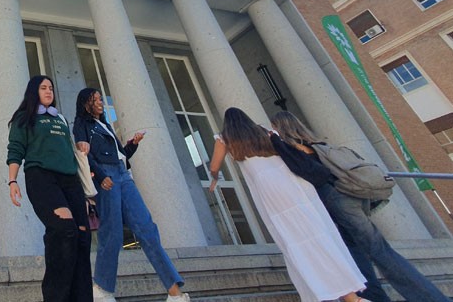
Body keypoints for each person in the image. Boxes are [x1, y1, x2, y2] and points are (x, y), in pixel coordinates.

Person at [270, 110, 450, 302]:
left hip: (338, 200)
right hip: (353, 197)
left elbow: (312, 173)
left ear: (281, 128)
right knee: (353, 252)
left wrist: (275, 141)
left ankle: (429, 298)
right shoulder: (319, 146)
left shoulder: (295, 149)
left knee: (379, 251)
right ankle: (373, 297)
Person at [209, 107, 370, 302]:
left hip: (271, 190)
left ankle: (339, 295)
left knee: (294, 239)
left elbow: (214, 166)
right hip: (296, 184)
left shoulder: (225, 138)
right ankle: (349, 294)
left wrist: (215, 177)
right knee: (319, 232)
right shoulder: (264, 131)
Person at [72, 88, 190, 302]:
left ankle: (174, 292)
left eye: (100, 98)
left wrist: (132, 144)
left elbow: (122, 156)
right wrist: (99, 175)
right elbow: (83, 154)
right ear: (85, 103)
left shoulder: (105, 125)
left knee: (147, 228)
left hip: (122, 174)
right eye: (95, 99)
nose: (100, 102)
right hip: (105, 176)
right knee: (113, 231)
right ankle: (101, 288)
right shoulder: (82, 125)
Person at [7, 75, 91, 302]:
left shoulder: (61, 119)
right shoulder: (24, 117)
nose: (49, 91)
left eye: (51, 88)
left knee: (83, 239)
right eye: (43, 88)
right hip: (41, 177)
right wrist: (12, 181)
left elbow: (69, 151)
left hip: (71, 182)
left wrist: (81, 146)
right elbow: (15, 149)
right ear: (34, 92)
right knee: (64, 230)